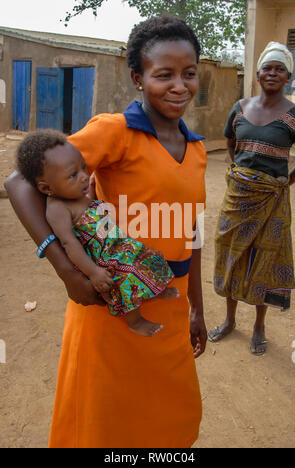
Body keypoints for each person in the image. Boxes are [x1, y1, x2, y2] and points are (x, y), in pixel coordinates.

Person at [5, 15, 207, 448]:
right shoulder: (115, 131)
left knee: (170, 418)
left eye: (189, 73)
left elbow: (193, 231)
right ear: (138, 77)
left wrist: (197, 308)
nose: (179, 86)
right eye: (163, 74)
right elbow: (20, 182)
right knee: (105, 422)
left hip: (169, 305)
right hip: (111, 304)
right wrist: (66, 270)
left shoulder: (196, 147)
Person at [17, 130, 179, 337]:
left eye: (83, 168)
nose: (84, 176)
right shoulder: (57, 209)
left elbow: (91, 208)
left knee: (149, 257)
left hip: (116, 243)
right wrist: (93, 272)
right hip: (102, 257)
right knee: (125, 277)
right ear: (46, 187)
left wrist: (92, 191)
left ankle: (156, 289)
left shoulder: (77, 193)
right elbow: (70, 244)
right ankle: (134, 321)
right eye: (73, 174)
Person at [208, 42, 295, 356]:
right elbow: (231, 143)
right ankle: (230, 319)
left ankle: (259, 325)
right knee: (230, 254)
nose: (272, 73)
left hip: (272, 201)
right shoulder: (240, 107)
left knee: (263, 261)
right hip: (238, 197)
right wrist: (236, 170)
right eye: (267, 68)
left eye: (280, 69)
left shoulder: (294, 116)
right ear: (258, 74)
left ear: (288, 76)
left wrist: (283, 183)